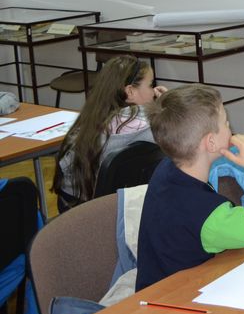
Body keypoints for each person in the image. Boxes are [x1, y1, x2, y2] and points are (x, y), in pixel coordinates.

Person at [136, 84, 244, 291]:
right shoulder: (211, 218)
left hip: (158, 288)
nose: (231, 127)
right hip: (175, 300)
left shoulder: (169, 166)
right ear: (211, 143)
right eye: (226, 122)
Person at [52, 55, 167, 211]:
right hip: (108, 209)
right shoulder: (143, 122)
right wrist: (167, 105)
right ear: (130, 91)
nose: (153, 91)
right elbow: (180, 132)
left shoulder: (92, 118)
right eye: (150, 85)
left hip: (73, 204)